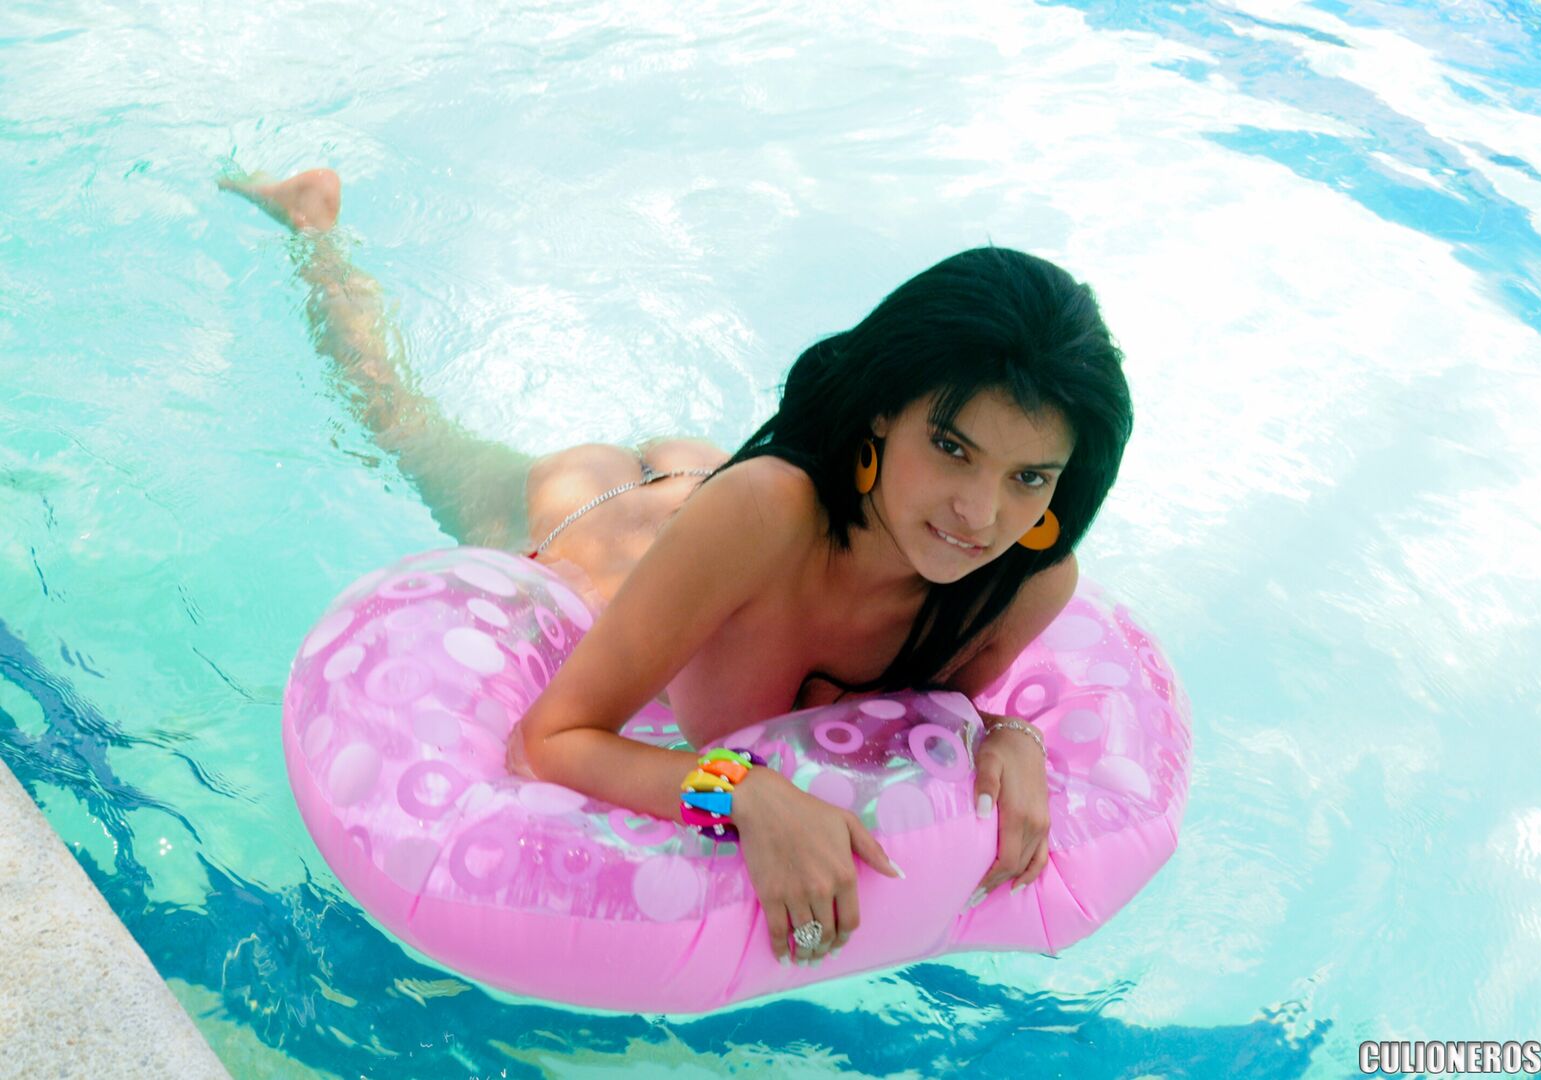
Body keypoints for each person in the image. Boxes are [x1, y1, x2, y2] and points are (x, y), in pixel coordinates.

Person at [225, 167, 1134, 969]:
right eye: (951, 447)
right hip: (589, 528)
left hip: (713, 508)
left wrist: (1008, 737)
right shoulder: (767, 513)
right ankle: (314, 228)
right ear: (884, 414)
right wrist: (738, 793)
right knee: (394, 415)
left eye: (1027, 477)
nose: (980, 513)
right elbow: (548, 741)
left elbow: (920, 720)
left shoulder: (1023, 581)